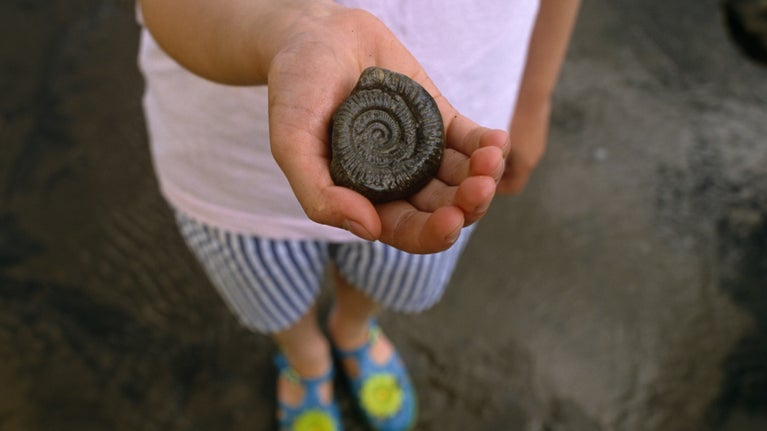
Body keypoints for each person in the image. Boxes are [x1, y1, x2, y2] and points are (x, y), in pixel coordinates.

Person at [136, 0, 580, 430]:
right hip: (232, 176)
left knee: (391, 272)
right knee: (269, 293)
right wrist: (292, 29)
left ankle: (352, 330)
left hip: (461, 121)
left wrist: (533, 99)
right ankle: (305, 358)